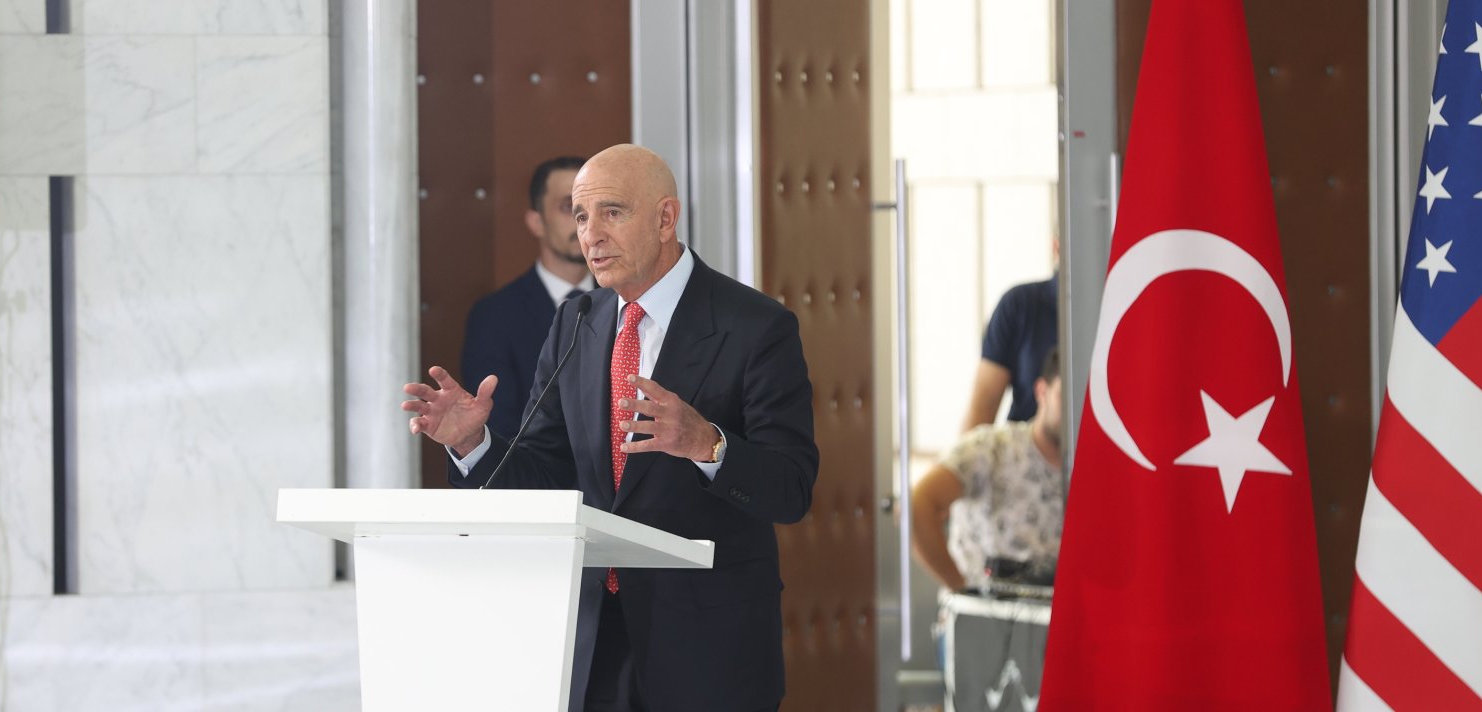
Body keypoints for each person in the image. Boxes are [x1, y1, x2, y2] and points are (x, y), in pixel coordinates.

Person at [402, 144, 817, 712]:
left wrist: (707, 443)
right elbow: (547, 475)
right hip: (594, 644)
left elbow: (791, 488)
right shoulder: (576, 321)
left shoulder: (756, 326)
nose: (588, 235)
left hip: (710, 649)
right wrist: (473, 444)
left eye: (612, 212)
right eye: (579, 216)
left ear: (666, 218)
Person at [461, 156, 596, 438]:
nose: (585, 222)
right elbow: (499, 432)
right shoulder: (494, 317)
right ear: (536, 222)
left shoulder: (629, 302)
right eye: (568, 207)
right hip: (538, 478)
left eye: (593, 208)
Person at [913, 347, 1064, 592]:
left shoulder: (1098, 474)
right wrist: (963, 590)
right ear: (1042, 392)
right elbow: (917, 505)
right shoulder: (991, 449)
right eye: (1064, 395)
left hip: (1057, 622)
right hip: (982, 619)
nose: (1074, 408)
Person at [959, 249, 1059, 433]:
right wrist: (960, 461)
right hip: (1027, 454)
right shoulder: (1019, 306)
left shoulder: (1117, 310)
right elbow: (982, 409)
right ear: (1056, 247)